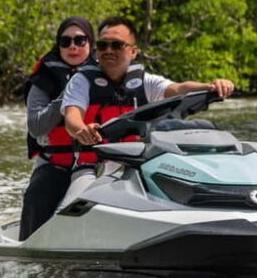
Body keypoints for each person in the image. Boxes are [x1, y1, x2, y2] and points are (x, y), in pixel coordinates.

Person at [59, 16, 235, 206]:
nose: (108, 50)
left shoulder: (146, 82)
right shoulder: (81, 81)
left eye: (116, 45)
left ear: (133, 51)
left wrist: (210, 87)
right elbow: (72, 117)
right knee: (70, 206)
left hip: (139, 165)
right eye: (103, 45)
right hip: (92, 166)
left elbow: (178, 89)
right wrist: (81, 130)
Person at [19, 16, 95, 240]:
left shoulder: (107, 75)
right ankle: (28, 245)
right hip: (55, 165)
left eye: (80, 40)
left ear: (90, 44)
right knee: (39, 191)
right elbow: (36, 127)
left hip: (98, 163)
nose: (73, 46)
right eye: (66, 41)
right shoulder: (44, 79)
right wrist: (69, 96)